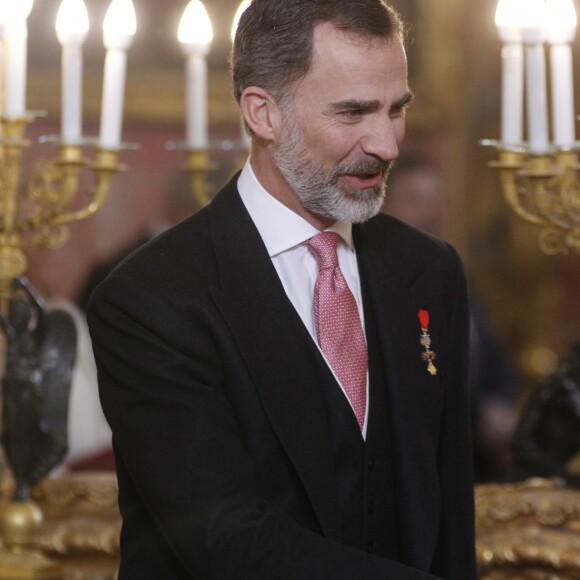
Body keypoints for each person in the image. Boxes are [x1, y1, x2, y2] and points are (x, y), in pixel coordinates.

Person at [87, 1, 476, 578]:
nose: (388, 145)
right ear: (263, 114)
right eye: (353, 113)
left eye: (397, 110)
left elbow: (446, 512)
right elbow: (223, 538)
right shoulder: (151, 298)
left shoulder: (428, 269)